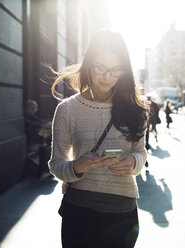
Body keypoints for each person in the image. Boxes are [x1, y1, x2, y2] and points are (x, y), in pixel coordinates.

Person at [48, 30, 148, 248]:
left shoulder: (137, 110)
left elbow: (141, 152)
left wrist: (133, 162)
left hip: (122, 211)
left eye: (115, 70)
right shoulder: (67, 109)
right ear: (88, 65)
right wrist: (77, 167)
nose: (107, 77)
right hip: (80, 210)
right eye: (100, 68)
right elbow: (56, 165)